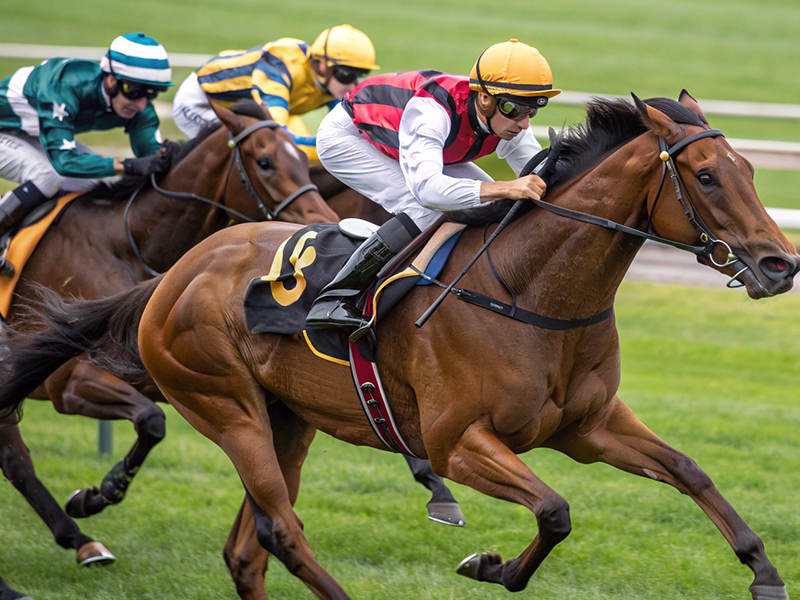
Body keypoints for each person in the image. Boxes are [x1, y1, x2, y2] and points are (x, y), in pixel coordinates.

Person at [306, 39, 560, 329]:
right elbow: (428, 191)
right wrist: (505, 188)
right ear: (485, 98)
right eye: (514, 109)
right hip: (348, 137)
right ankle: (335, 299)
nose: (524, 123)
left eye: (532, 111)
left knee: (492, 206)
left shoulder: (506, 119)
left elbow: (543, 179)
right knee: (424, 207)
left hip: (406, 141)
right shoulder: (432, 110)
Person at [0, 32, 173, 273]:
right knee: (47, 178)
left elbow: (153, 158)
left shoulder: (137, 106)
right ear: (111, 80)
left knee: (95, 185)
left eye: (151, 94)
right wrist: (128, 165)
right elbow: (65, 162)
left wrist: (170, 157)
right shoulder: (65, 85)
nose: (141, 104)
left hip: (30, 132)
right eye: (134, 91)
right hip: (6, 131)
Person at [172, 24, 379, 162]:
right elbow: (274, 132)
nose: (352, 86)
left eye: (359, 76)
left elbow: (356, 127)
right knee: (253, 156)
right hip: (203, 101)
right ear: (322, 66)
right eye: (346, 74)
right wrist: (324, 142)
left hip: (255, 111)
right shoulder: (281, 64)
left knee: (304, 157)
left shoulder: (332, 80)